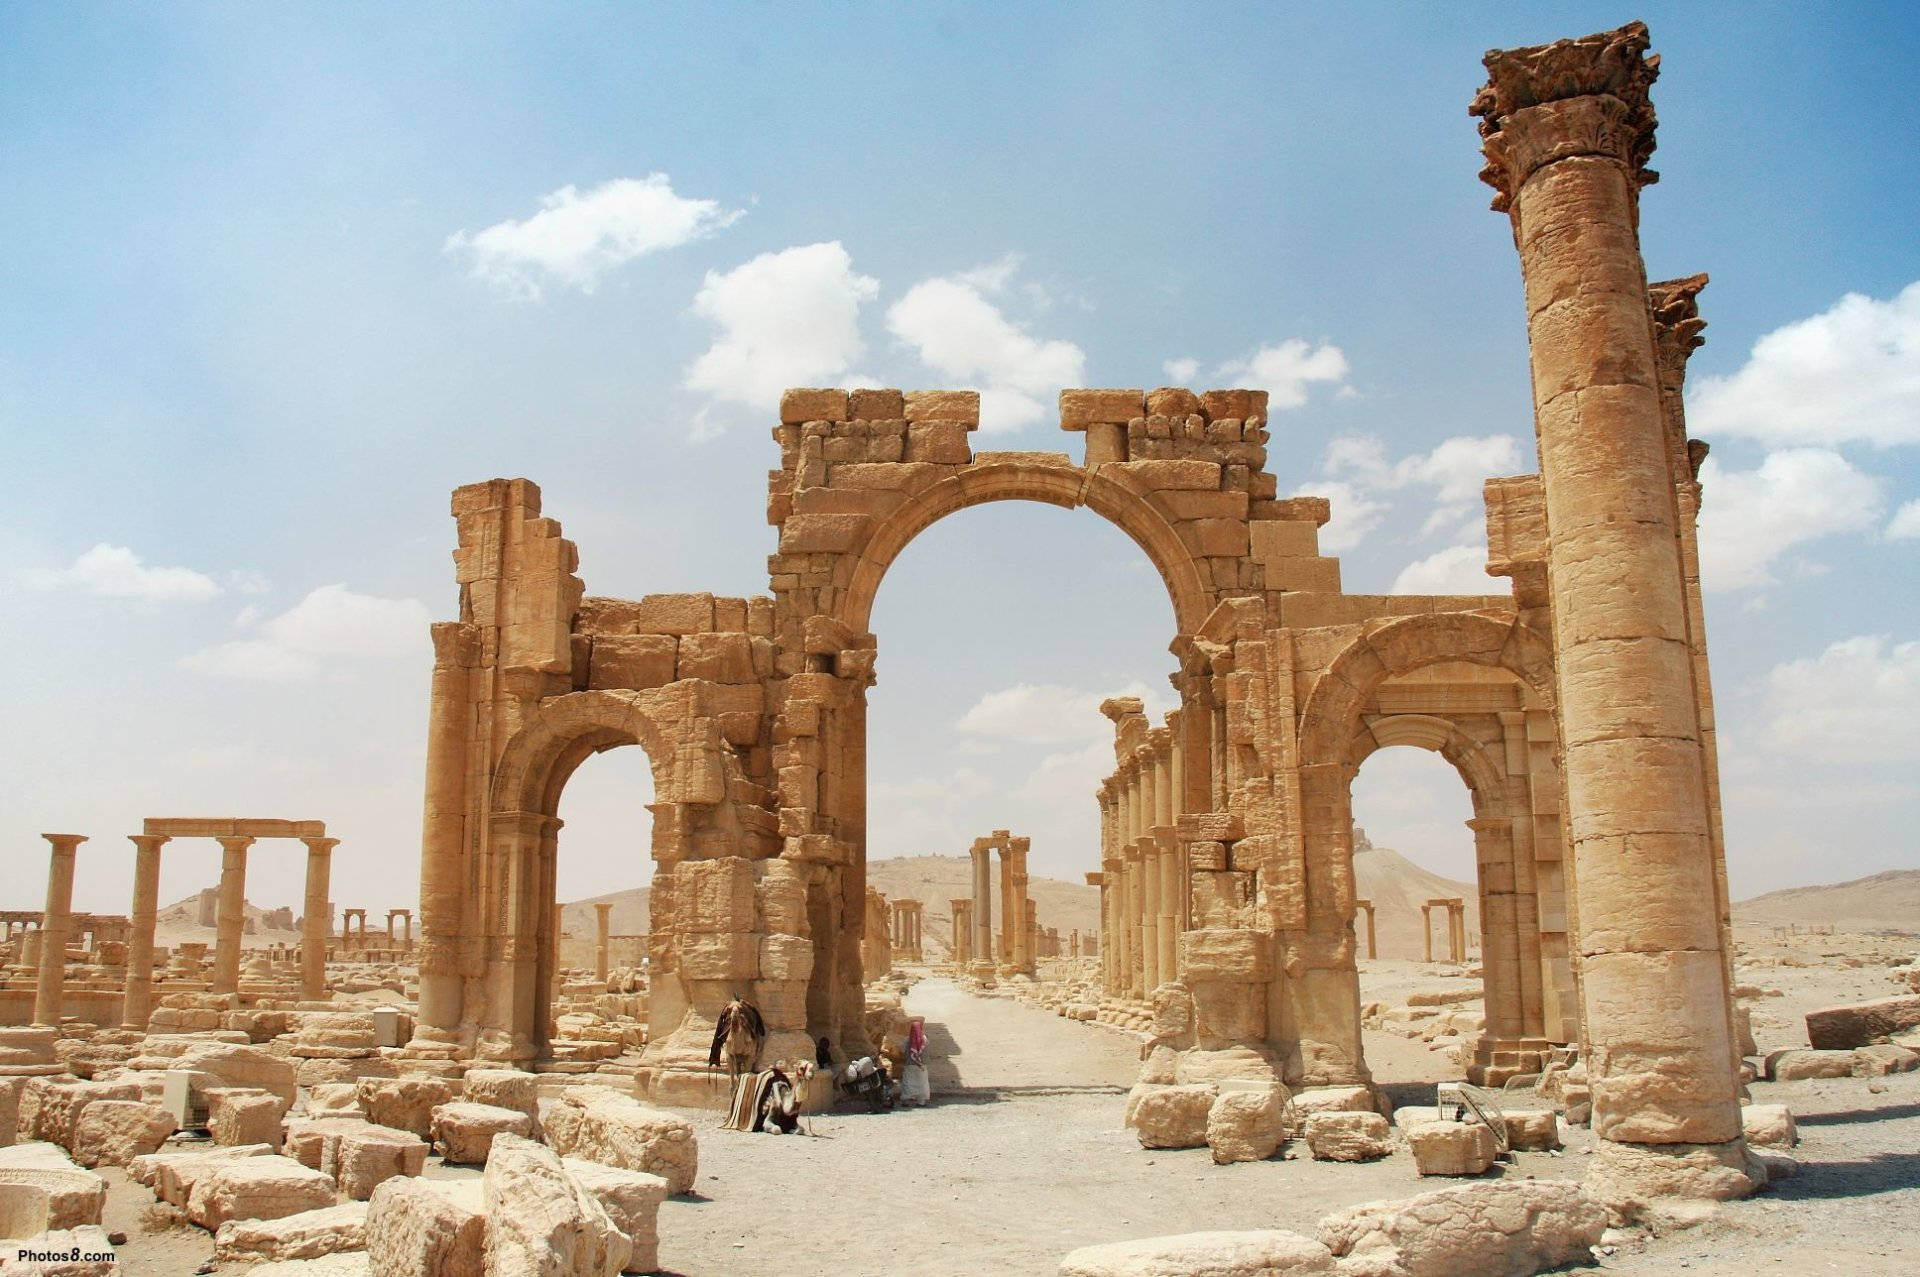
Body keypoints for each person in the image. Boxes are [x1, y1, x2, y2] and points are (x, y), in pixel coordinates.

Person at [900, 1018, 930, 1107]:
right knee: (922, 1083)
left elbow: (902, 1050)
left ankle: (905, 1100)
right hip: (922, 1065)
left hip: (909, 1064)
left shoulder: (907, 1040)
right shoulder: (925, 1040)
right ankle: (921, 1101)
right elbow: (927, 1052)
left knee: (908, 1082)